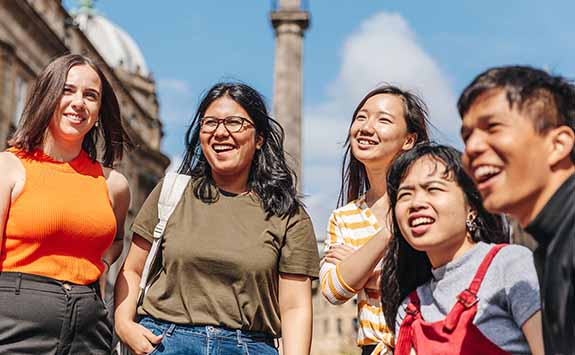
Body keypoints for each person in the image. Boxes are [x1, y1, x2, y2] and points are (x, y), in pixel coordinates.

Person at [114, 82, 320, 355]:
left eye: (234, 123)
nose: (221, 132)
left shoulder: (288, 214)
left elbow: (295, 307)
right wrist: (124, 324)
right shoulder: (171, 192)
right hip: (164, 342)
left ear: (259, 138)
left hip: (248, 346)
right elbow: (132, 269)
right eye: (210, 123)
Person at [0, 53, 131, 354]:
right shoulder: (8, 167)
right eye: (67, 90)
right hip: (13, 327)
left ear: (99, 112)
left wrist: (103, 267)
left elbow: (118, 238)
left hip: (89, 333)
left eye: (90, 95)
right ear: (47, 96)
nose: (78, 102)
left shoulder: (114, 185)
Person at [380, 143, 543, 355]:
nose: (416, 203)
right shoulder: (409, 309)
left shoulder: (510, 265)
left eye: (433, 189)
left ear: (472, 208)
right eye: (405, 195)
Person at [458, 66, 575, 354]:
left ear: (558, 144)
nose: (471, 149)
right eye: (466, 136)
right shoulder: (549, 247)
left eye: (492, 127)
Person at [320, 85, 430, 355]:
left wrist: (360, 266)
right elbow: (334, 290)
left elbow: (441, 278)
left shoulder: (428, 201)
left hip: (428, 344)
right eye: (361, 117)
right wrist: (387, 234)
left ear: (408, 140)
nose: (366, 127)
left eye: (383, 119)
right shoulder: (344, 217)